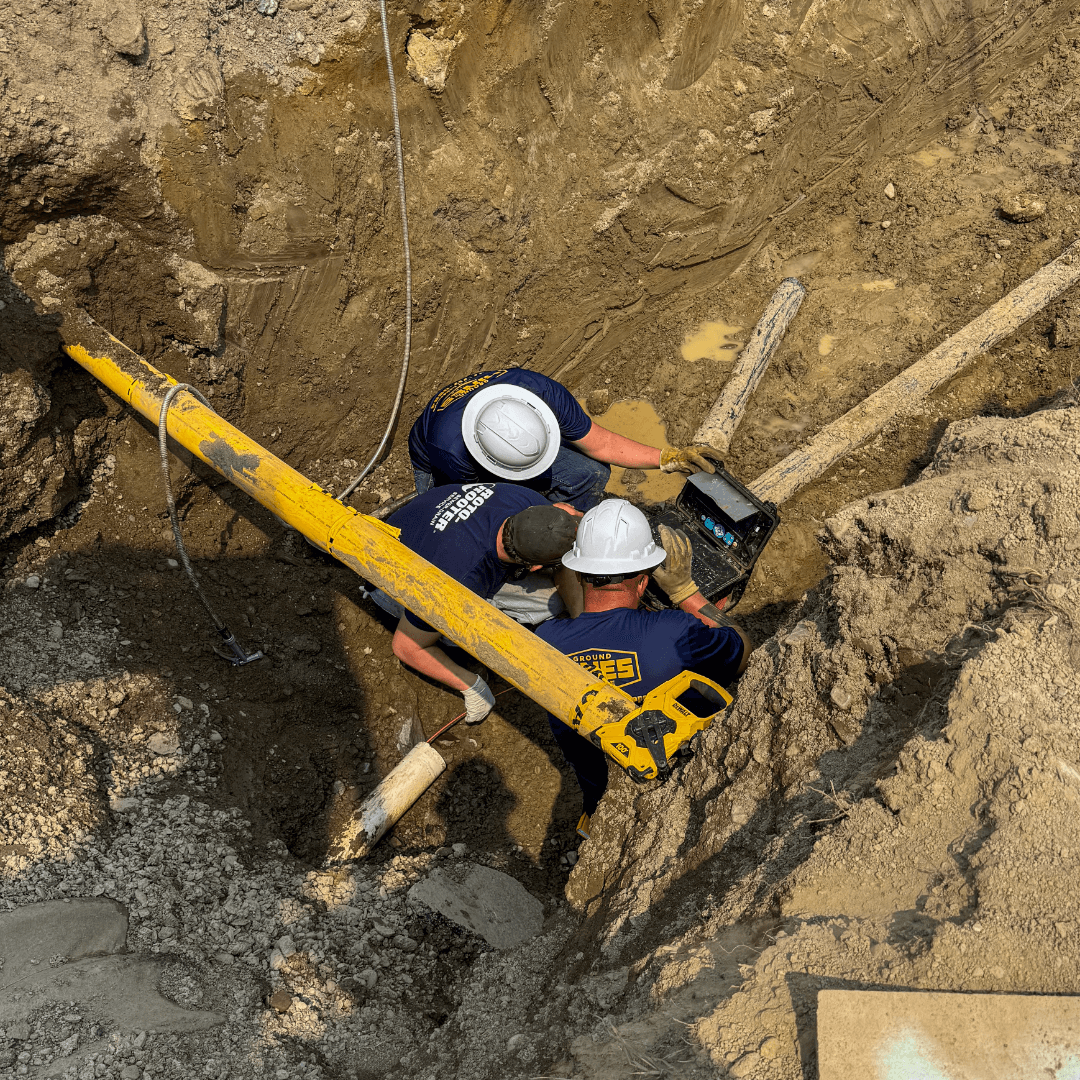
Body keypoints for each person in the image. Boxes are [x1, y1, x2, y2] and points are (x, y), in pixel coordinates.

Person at [535, 499, 750, 838]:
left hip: (605, 805)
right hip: (676, 794)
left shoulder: (544, 642)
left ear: (579, 574)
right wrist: (685, 591)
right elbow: (741, 652)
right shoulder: (673, 630)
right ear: (643, 583)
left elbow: (587, 629)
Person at [367, 482, 581, 723]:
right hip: (391, 577)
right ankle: (459, 654)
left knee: (561, 591)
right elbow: (406, 647)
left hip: (417, 529)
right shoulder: (456, 583)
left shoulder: (526, 504)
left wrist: (583, 622)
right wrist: (471, 686)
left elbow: (569, 519)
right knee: (544, 604)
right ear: (535, 567)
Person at [409, 368, 724, 511]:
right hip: (437, 462)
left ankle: (569, 524)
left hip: (492, 435)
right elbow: (487, 503)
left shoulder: (544, 394)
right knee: (458, 527)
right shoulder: (449, 451)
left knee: (593, 472)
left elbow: (601, 444)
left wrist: (668, 458)